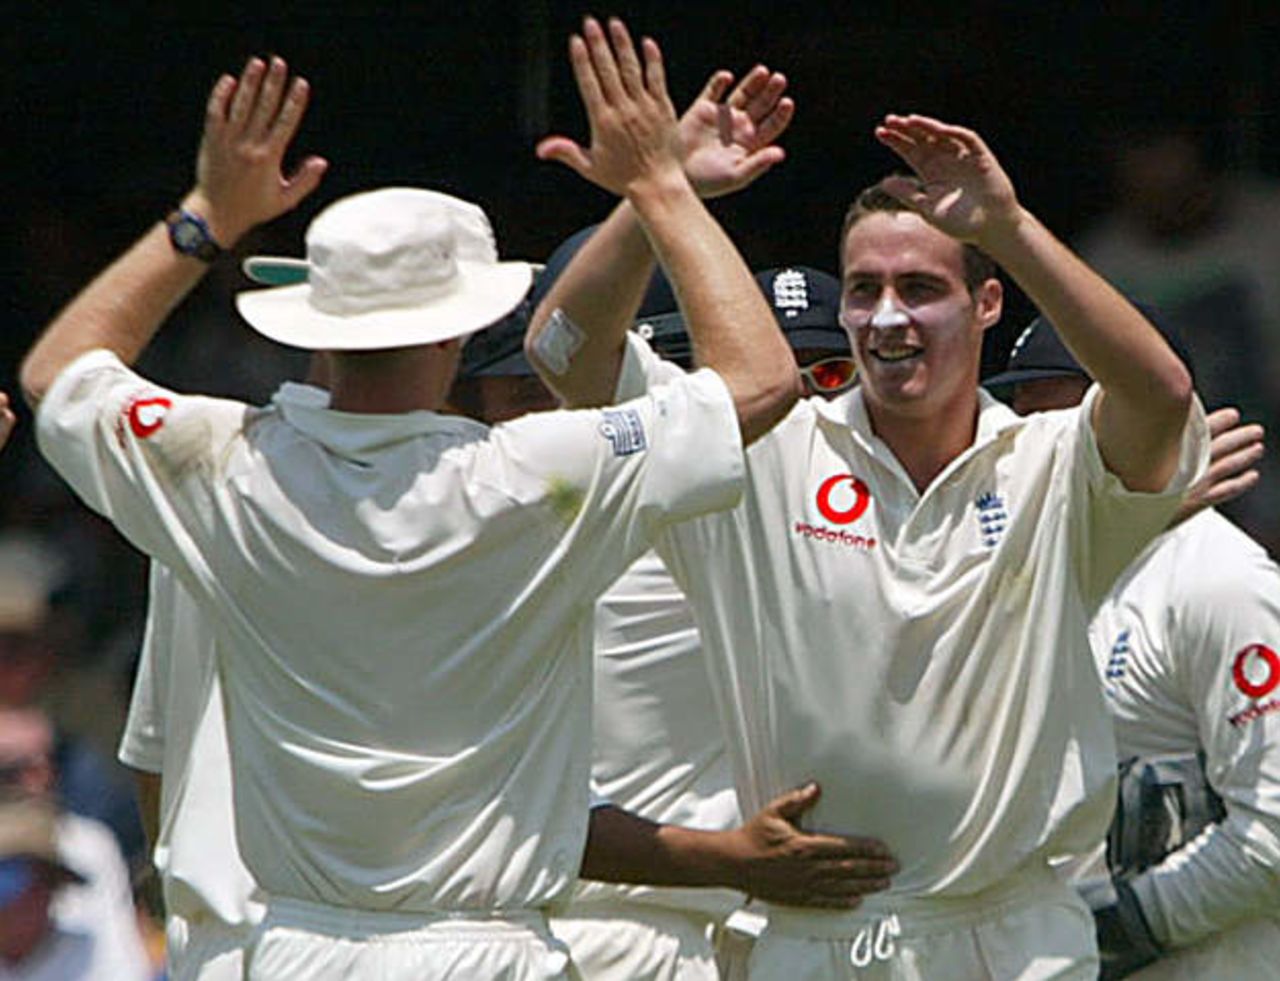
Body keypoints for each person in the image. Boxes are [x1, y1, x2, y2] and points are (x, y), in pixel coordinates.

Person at [22, 33, 893, 979]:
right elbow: (762, 382)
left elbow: (57, 370)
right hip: (494, 951)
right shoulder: (537, 476)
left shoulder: (223, 467)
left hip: (294, 949)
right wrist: (659, 187)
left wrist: (208, 217)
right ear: (467, 330)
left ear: (315, 318)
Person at [529, 53, 1209, 973]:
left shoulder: (1053, 463)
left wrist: (1008, 224)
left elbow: (1162, 394)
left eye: (921, 288)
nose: (887, 319)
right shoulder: (760, 455)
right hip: (816, 941)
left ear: (988, 301)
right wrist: (659, 192)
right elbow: (564, 353)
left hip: (1015, 941)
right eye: (864, 290)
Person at [989, 316, 1280, 979]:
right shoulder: (1023, 581)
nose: (1038, 450)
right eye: (1024, 423)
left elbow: (1274, 832)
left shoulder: (1219, 578)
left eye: (1063, 423)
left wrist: (1110, 926)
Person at [0, 708, 151, 981]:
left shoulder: (91, 843)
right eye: (12, 770)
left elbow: (124, 965)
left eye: (47, 761)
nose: (38, 777)